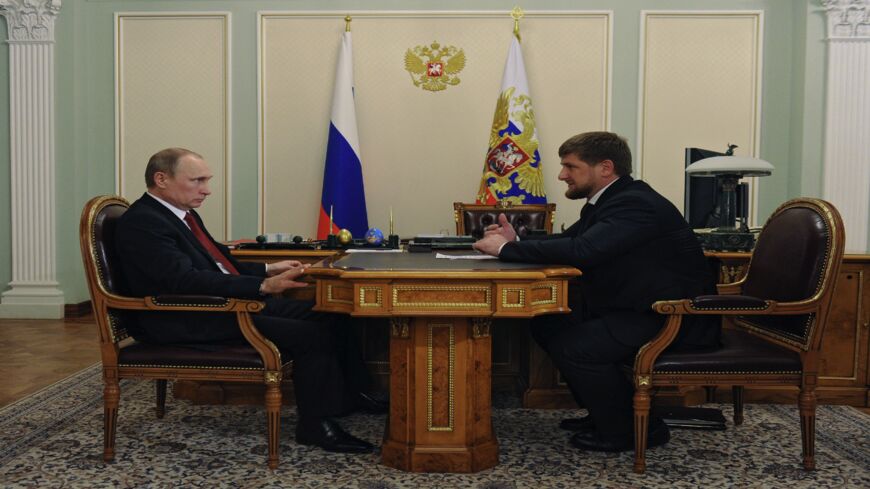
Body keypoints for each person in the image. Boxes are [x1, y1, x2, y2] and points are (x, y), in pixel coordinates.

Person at [115, 147, 385, 454]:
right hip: (181, 317)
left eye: (207, 180)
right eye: (197, 180)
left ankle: (353, 395)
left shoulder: (180, 214)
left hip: (216, 305)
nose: (207, 189)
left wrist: (269, 269)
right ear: (161, 179)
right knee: (311, 334)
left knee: (331, 311)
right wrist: (263, 285)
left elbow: (217, 259)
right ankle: (315, 425)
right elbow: (183, 280)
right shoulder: (144, 223)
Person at [473, 131, 720, 452]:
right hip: (639, 308)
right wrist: (516, 242)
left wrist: (505, 249)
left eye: (570, 167)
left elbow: (584, 250)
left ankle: (630, 430)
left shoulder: (635, 203)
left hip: (671, 316)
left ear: (605, 167)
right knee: (548, 323)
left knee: (578, 347)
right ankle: (608, 413)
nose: (562, 175)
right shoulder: (611, 200)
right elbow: (571, 241)